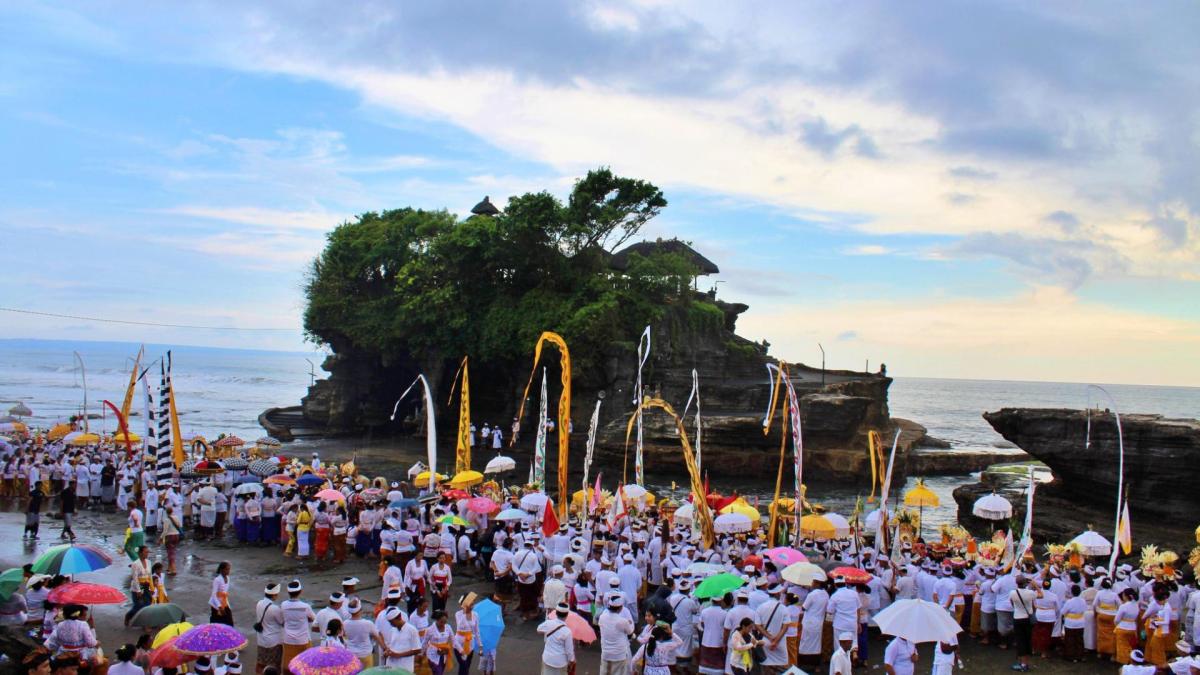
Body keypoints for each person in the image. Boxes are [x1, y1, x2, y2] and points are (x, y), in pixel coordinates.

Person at [279, 580, 316, 668]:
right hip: (303, 639)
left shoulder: (283, 605)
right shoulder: (305, 606)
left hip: (288, 639)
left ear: (288, 592)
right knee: (305, 665)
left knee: (289, 665)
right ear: (300, 592)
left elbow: (282, 619)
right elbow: (314, 619)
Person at [598, 593, 634, 675]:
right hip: (619, 654)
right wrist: (629, 623)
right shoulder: (622, 621)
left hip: (606, 653)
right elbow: (630, 632)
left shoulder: (602, 617)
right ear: (621, 608)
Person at [1009, 576, 1038, 672]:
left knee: (1020, 641)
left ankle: (1023, 663)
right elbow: (1041, 595)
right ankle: (1025, 663)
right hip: (1027, 618)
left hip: (1017, 617)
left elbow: (1012, 603)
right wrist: (1035, 585)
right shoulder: (1030, 593)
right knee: (1027, 640)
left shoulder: (1013, 593)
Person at [254, 584, 284, 675]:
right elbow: (282, 622)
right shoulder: (275, 609)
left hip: (261, 640)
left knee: (260, 663)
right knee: (275, 666)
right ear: (274, 595)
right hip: (273, 641)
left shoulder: (259, 603)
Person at [537, 602, 575, 675]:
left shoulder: (548, 623)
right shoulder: (567, 631)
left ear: (556, 613)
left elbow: (538, 630)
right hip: (561, 661)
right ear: (567, 615)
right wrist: (572, 660)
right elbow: (569, 651)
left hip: (547, 658)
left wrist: (547, 632)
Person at [342, 599, 381, 669]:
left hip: (351, 654)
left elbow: (342, 636)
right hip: (365, 654)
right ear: (360, 610)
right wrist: (385, 648)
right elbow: (377, 637)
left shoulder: (345, 623)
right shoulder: (368, 623)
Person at [382, 607, 422, 671]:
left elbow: (417, 650)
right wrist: (387, 651)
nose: (391, 624)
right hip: (391, 666)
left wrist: (398, 655)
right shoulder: (392, 630)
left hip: (404, 667)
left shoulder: (412, 630)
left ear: (399, 618)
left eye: (392, 622)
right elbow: (391, 646)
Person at [423, 610, 453, 675]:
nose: (443, 624)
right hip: (432, 656)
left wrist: (460, 650)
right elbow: (424, 643)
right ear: (437, 620)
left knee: (440, 672)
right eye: (441, 622)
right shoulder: (429, 630)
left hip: (444, 654)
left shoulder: (448, 627)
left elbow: (454, 640)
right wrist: (422, 654)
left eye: (445, 622)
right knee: (438, 673)